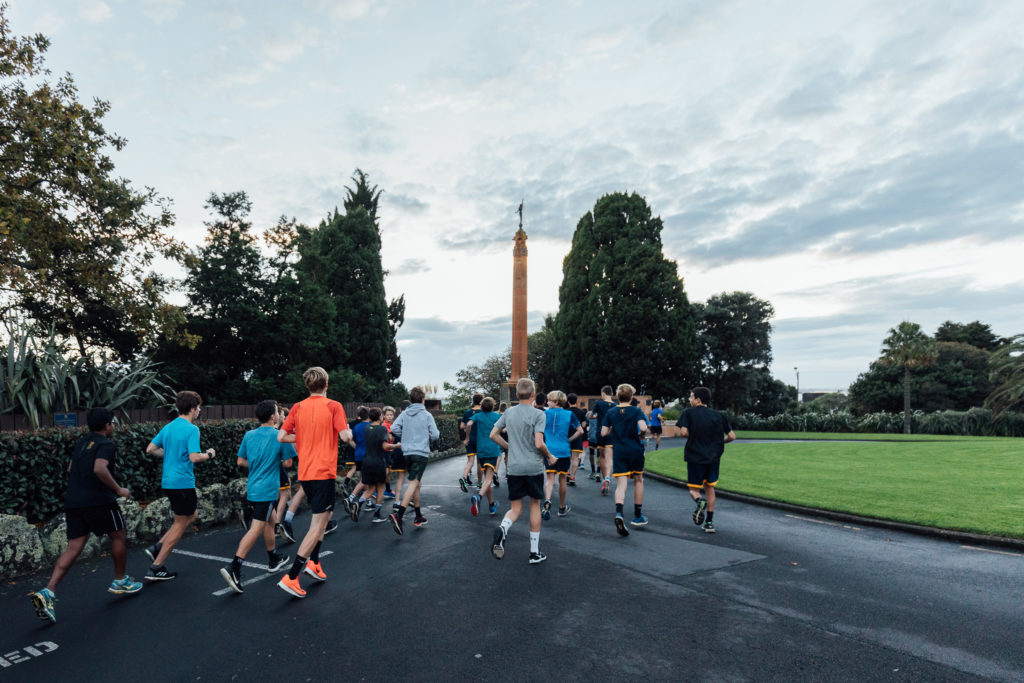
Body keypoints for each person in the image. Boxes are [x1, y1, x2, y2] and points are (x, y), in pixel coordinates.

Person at [30, 408, 141, 623]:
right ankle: (120, 580)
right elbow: (100, 469)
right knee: (118, 536)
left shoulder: (82, 443)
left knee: (73, 548)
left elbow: (72, 468)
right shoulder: (106, 444)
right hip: (99, 502)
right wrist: (118, 489)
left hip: (74, 502)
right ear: (108, 425)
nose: (114, 426)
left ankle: (48, 591)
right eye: (113, 423)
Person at [275, 367, 353, 598]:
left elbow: (281, 436)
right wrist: (349, 434)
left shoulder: (298, 407)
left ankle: (315, 563)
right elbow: (345, 436)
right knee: (318, 524)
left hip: (306, 473)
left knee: (324, 516)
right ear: (326, 385)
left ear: (308, 386)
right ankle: (292, 577)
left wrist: (303, 436)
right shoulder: (333, 406)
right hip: (323, 472)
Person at [220, 400, 293, 593]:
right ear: (273, 416)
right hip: (267, 490)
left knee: (271, 522)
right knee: (256, 528)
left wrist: (259, 464)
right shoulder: (279, 436)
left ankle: (273, 558)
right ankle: (234, 568)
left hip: (253, 488)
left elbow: (240, 461)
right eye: (277, 412)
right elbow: (288, 464)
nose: (279, 415)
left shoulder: (249, 435)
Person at [144, 391, 217, 581]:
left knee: (191, 515)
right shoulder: (191, 429)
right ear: (192, 408)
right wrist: (209, 454)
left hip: (169, 482)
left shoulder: (169, 427)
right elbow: (194, 456)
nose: (200, 410)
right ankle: (157, 567)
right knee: (180, 523)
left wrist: (169, 455)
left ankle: (158, 547)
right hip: (183, 483)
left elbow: (150, 449)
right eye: (199, 407)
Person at [488, 378, 555, 564]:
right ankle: (534, 553)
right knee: (534, 505)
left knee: (515, 508)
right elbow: (539, 443)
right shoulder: (539, 415)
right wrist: (549, 456)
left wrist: (509, 447)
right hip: (533, 467)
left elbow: (493, 434)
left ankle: (503, 528)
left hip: (514, 467)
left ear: (516, 395)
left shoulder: (508, 412)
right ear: (533, 394)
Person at [677, 386, 736, 534]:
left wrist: (692, 437)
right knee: (710, 488)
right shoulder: (719, 415)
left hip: (695, 456)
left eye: (691, 397)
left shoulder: (688, 413)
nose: (690, 400)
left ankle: (699, 501)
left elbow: (683, 432)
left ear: (698, 399)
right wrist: (719, 442)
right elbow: (732, 436)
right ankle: (709, 523)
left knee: (693, 489)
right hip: (714, 457)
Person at [389, 386, 439, 535]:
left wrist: (407, 435)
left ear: (411, 400)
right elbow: (435, 435)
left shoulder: (404, 414)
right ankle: (399, 515)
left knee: (416, 483)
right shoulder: (427, 415)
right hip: (420, 453)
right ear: (423, 399)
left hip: (407, 452)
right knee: (413, 483)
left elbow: (394, 428)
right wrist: (424, 437)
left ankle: (418, 516)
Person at [601, 383, 650, 536]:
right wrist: (642, 435)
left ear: (618, 396)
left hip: (619, 450)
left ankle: (619, 513)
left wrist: (613, 430)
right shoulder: (636, 411)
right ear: (631, 396)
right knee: (638, 480)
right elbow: (643, 428)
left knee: (621, 484)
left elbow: (603, 433)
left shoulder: (611, 412)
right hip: (635, 449)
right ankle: (637, 515)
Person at [542, 391, 582, 519]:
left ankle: (547, 500)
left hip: (549, 451)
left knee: (549, 479)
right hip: (564, 450)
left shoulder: (544, 414)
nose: (547, 402)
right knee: (563, 479)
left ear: (555, 401)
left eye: (549, 400)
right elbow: (580, 431)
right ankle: (561, 507)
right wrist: (569, 440)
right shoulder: (569, 414)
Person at [358, 408, 401, 524]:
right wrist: (397, 446)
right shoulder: (382, 429)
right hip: (378, 462)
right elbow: (385, 446)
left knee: (371, 488)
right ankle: (377, 515)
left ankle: (358, 503)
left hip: (366, 461)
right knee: (380, 488)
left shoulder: (367, 428)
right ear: (379, 416)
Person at [467, 397, 502, 517]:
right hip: (493, 449)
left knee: (487, 479)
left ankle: (492, 505)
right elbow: (505, 428)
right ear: (493, 406)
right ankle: (479, 497)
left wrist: (467, 437)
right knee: (488, 480)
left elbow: (469, 423)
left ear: (481, 406)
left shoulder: (477, 416)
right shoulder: (497, 416)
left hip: (481, 450)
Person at [591, 385, 615, 495]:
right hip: (611, 432)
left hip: (601, 431)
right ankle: (608, 478)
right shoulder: (615, 405)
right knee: (609, 457)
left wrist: (597, 416)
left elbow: (591, 416)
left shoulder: (599, 404)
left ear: (603, 393)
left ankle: (604, 478)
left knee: (601, 456)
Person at [459, 394, 483, 492]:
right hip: (480, 440)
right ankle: (480, 483)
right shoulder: (483, 412)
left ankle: (464, 478)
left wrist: (467, 429)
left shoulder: (467, 412)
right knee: (479, 463)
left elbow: (461, 426)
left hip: (470, 439)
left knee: (470, 462)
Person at [566, 393, 588, 486]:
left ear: (568, 402)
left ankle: (567, 472)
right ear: (576, 401)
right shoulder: (581, 412)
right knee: (575, 458)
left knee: (567, 456)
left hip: (567, 437)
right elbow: (583, 426)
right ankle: (572, 477)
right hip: (577, 437)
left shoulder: (565, 411)